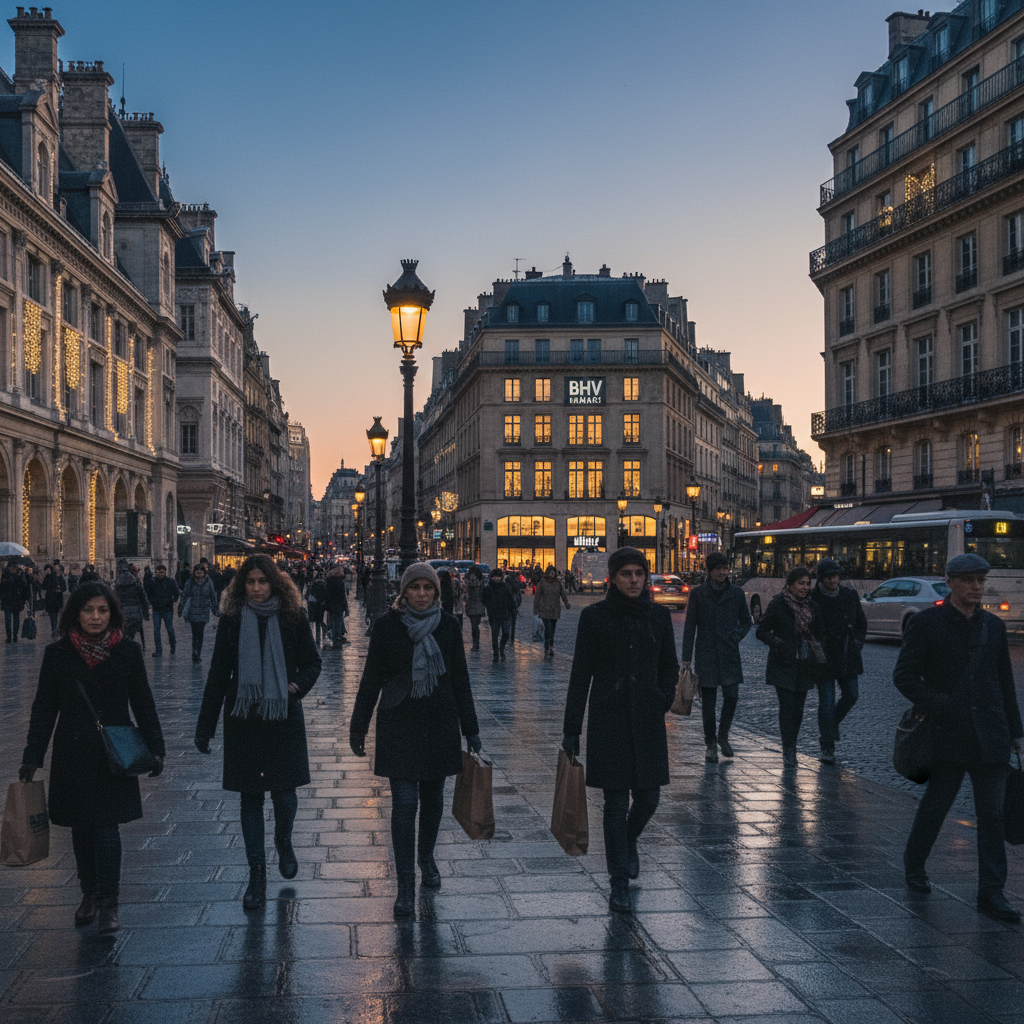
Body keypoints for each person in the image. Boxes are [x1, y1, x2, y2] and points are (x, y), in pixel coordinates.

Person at [19, 581, 165, 935]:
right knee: (81, 829)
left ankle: (109, 901)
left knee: (106, 828)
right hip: (73, 751)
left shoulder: (127, 652)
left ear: (112, 613)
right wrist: (32, 756)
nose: (95, 617)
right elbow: (44, 708)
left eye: (102, 610)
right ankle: (88, 893)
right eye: (88, 610)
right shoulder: (58, 655)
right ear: (76, 614)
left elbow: (143, 702)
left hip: (114, 753)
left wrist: (155, 748)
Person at [895, 553, 1024, 922]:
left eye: (981, 581)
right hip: (947, 734)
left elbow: (1004, 683)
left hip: (991, 734)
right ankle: (914, 863)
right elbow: (904, 677)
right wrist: (943, 705)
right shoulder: (925, 624)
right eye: (969, 581)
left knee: (993, 816)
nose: (977, 588)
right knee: (936, 807)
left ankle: (992, 893)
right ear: (949, 582)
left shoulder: (993, 627)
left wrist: (1016, 732)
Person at [349, 563, 481, 917]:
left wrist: (471, 729)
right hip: (399, 723)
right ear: (403, 591)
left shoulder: (449, 626)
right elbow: (371, 678)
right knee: (406, 804)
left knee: (433, 800)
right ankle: (405, 883)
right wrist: (358, 726)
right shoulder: (387, 627)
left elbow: (460, 680)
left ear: (437, 592)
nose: (421, 593)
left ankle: (427, 857)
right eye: (415, 588)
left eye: (428, 588)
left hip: (439, 723)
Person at [195, 555, 323, 910]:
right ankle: (257, 875)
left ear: (274, 583)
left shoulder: (293, 617)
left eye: (262, 582)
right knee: (250, 797)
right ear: (241, 586)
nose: (256, 588)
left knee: (284, 795)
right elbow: (219, 674)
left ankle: (284, 839)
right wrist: (204, 727)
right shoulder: (232, 621)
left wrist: (296, 687)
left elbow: (313, 661)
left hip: (283, 716)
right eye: (250, 582)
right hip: (245, 718)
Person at [562, 548, 678, 914]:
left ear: (646, 577)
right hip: (608, 719)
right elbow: (580, 675)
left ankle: (628, 842)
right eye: (626, 574)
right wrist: (571, 730)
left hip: (646, 718)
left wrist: (661, 698)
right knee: (614, 804)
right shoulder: (594, 617)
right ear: (613, 577)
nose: (633, 580)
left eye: (639, 574)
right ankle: (618, 884)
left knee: (648, 799)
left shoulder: (659, 617)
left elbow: (669, 667)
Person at [681, 553, 752, 763]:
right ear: (709, 571)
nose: (723, 572)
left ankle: (723, 736)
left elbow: (746, 621)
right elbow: (689, 626)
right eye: (719, 568)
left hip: (729, 653)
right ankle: (711, 743)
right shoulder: (698, 594)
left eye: (725, 568)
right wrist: (686, 659)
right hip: (707, 654)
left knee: (732, 697)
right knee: (708, 704)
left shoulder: (737, 593)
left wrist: (736, 635)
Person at [755, 566, 827, 767]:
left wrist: (816, 646)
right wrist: (779, 644)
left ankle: (792, 743)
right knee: (787, 707)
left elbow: (821, 632)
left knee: (799, 709)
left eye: (807, 584)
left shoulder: (813, 606)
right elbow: (761, 631)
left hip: (804, 663)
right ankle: (788, 748)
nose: (805, 587)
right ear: (790, 585)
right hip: (783, 663)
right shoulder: (779, 603)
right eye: (801, 583)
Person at [809, 558, 867, 764]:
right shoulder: (813, 597)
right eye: (828, 577)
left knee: (851, 695)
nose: (833, 580)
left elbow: (861, 621)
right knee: (826, 703)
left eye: (835, 576)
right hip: (823, 657)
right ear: (821, 578)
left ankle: (829, 728)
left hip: (847, 654)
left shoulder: (849, 595)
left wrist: (857, 642)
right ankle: (827, 746)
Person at [179, 563, 220, 663]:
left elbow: (212, 595)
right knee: (195, 632)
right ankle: (195, 651)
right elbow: (185, 595)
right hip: (193, 609)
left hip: (204, 610)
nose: (199, 572)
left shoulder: (208, 581)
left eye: (200, 570)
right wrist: (181, 607)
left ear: (204, 572)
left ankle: (198, 652)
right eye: (197, 570)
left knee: (200, 632)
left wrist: (215, 609)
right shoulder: (190, 582)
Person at [533, 565, 570, 657]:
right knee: (548, 628)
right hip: (545, 609)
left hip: (555, 610)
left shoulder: (557, 583)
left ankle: (550, 646)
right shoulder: (542, 583)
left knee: (552, 629)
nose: (551, 574)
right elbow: (537, 597)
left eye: (553, 572)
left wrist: (567, 603)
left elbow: (563, 594)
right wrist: (535, 609)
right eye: (550, 572)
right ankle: (548, 646)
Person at [481, 568, 516, 663]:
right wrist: (489, 606)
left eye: (498, 577)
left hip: (505, 614)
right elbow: (484, 599)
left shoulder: (506, 587)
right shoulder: (488, 588)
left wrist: (513, 610)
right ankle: (496, 654)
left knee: (506, 633)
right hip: (494, 615)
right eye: (494, 577)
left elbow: (510, 600)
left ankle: (501, 649)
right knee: (495, 634)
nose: (496, 579)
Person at [145, 564, 180, 657]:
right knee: (156, 630)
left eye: (162, 572)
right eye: (158, 572)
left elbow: (176, 593)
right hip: (156, 609)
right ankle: (158, 650)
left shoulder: (170, 582)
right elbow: (148, 594)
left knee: (170, 629)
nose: (160, 574)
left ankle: (173, 644)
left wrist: (171, 601)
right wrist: (152, 602)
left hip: (167, 609)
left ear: (165, 572)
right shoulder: (152, 582)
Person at [115, 560, 150, 648]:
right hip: (135, 613)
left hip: (122, 613)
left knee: (125, 632)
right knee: (132, 632)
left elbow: (114, 600)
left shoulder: (117, 587)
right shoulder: (136, 585)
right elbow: (143, 599)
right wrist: (146, 614)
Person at [1, 561, 30, 642]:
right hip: (8, 600)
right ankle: (10, 636)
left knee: (14, 619)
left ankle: (14, 636)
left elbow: (24, 589)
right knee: (8, 619)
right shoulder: (5, 577)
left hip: (15, 600)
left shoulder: (18, 577)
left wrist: (24, 599)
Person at [41, 563, 68, 638]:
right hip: (50, 598)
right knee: (53, 615)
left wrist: (60, 589)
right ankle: (54, 629)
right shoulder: (49, 577)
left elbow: (64, 588)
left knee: (57, 615)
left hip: (58, 598)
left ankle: (56, 629)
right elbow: (44, 586)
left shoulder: (61, 578)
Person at [325, 565, 349, 647]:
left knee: (333, 620)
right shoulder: (340, 582)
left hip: (330, 604)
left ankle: (334, 635)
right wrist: (346, 607)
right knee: (338, 620)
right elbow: (342, 596)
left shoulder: (328, 581)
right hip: (338, 605)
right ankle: (337, 636)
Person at [464, 565, 485, 650]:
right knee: (476, 625)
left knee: (474, 625)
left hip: (472, 604)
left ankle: (475, 643)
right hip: (479, 604)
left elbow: (466, 595)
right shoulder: (481, 581)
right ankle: (476, 643)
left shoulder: (469, 581)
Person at [307, 572, 327, 646]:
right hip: (321, 605)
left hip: (313, 606)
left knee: (315, 622)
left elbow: (307, 595)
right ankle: (322, 635)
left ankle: (316, 639)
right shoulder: (323, 586)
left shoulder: (312, 586)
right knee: (319, 621)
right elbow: (326, 596)